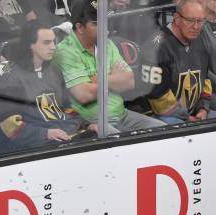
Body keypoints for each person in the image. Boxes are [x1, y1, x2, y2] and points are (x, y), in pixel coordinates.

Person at [0, 21, 93, 155]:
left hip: (67, 134)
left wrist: (86, 124)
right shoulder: (10, 77)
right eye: (46, 43)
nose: (53, 47)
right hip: (37, 145)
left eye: (54, 42)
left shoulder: (54, 71)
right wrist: (45, 133)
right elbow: (10, 124)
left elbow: (66, 107)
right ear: (30, 45)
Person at [53, 0, 166, 134]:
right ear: (80, 28)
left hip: (122, 114)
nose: (103, 27)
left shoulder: (107, 44)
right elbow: (84, 94)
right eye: (95, 23)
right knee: (121, 145)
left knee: (164, 131)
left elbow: (130, 81)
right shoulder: (66, 51)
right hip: (92, 121)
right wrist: (114, 79)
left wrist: (96, 79)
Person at [139, 0, 216, 124]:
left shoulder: (200, 40)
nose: (196, 27)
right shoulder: (155, 47)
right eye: (190, 21)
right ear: (177, 19)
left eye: (200, 21)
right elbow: (157, 96)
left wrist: (203, 109)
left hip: (194, 114)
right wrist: (187, 117)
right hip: (160, 115)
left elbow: (205, 80)